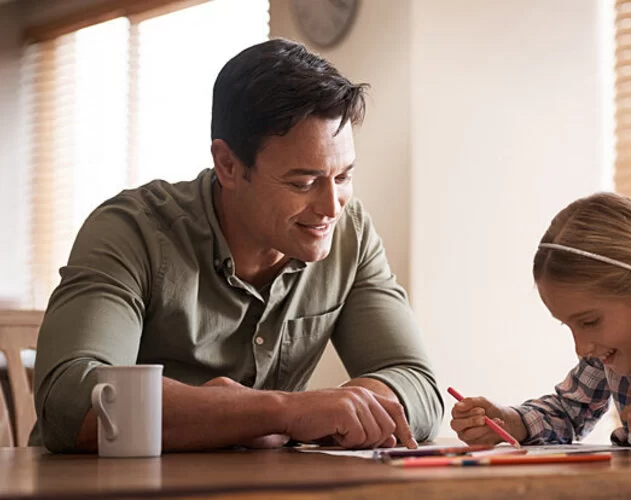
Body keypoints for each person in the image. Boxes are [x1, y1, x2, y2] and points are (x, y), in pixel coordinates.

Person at [30, 38, 443, 453]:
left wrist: (351, 408)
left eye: (343, 177)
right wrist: (279, 410)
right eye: (303, 182)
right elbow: (69, 403)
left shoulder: (350, 234)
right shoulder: (131, 231)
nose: (330, 206)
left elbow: (418, 386)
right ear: (228, 164)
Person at [450, 192, 631, 451]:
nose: (580, 347)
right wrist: (512, 421)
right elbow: (570, 410)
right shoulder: (611, 348)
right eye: (569, 326)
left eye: (588, 322)